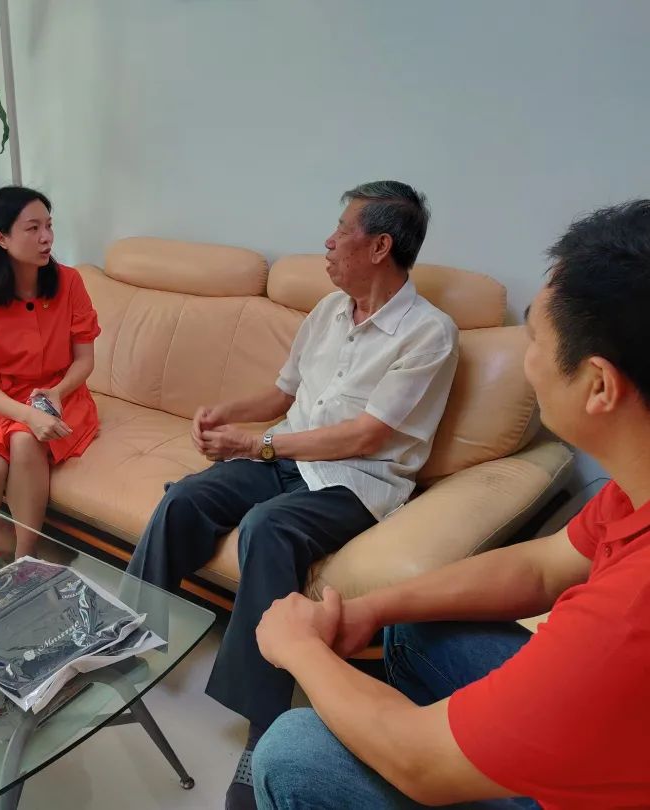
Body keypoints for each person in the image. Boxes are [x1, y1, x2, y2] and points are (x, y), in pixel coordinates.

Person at [251, 200, 650, 809]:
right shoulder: (633, 493)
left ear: (599, 385)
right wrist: (374, 606)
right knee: (416, 620)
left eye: (536, 340)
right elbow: (541, 566)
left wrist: (298, 649)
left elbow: (422, 764)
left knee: (294, 750)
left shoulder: (626, 619)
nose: (527, 360)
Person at [125, 180, 459, 809]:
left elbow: (367, 436)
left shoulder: (429, 334)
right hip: (289, 457)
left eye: (343, 230)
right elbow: (284, 395)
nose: (328, 242)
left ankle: (264, 732)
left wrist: (259, 445)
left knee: (268, 528)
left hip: (359, 483)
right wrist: (227, 412)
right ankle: (123, 645)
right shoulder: (329, 310)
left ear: (380, 246)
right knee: (185, 499)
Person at [0, 186, 101, 568]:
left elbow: (85, 361)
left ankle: (25, 555)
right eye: (33, 228)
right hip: (2, 400)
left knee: (25, 439)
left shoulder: (69, 282)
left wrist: (57, 392)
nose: (46, 237)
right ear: (1, 238)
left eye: (49, 226)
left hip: (63, 394)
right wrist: (28, 413)